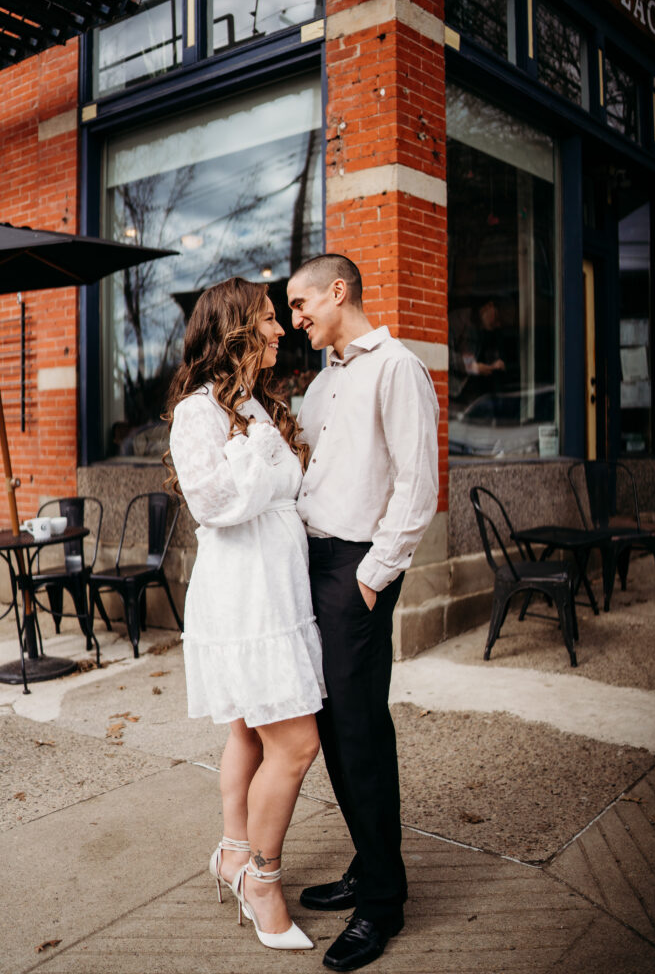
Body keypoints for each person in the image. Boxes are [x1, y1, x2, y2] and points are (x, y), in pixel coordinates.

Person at [286, 254, 440, 971]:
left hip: (356, 570)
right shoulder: (322, 383)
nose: (295, 318)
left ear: (337, 291)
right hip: (313, 566)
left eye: (299, 303)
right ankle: (366, 864)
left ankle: (382, 901)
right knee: (328, 727)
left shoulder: (395, 367)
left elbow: (417, 485)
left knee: (359, 729)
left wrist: (373, 578)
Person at [164, 277, 325, 952]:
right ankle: (262, 879)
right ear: (234, 330)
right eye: (267, 319)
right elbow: (215, 503)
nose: (281, 329)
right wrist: (261, 454)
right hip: (244, 597)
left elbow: (280, 491)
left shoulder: (260, 406)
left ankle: (233, 851)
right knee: (296, 743)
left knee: (251, 736)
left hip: (278, 592)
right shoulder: (197, 413)